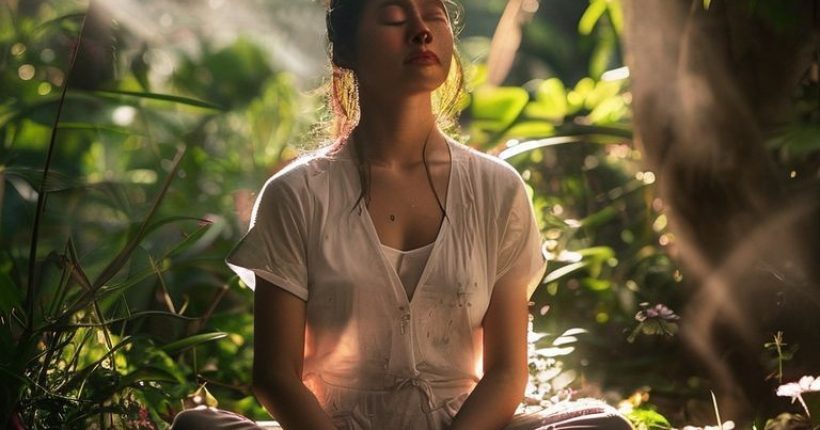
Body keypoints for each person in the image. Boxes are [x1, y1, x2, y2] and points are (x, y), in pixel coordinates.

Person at [171, 0, 634, 429]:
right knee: (196, 426)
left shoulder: (497, 188)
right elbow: (275, 376)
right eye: (394, 17)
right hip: (336, 426)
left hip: (465, 426)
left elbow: (508, 373)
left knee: (604, 425)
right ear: (347, 49)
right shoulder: (296, 194)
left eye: (433, 15)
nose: (420, 32)